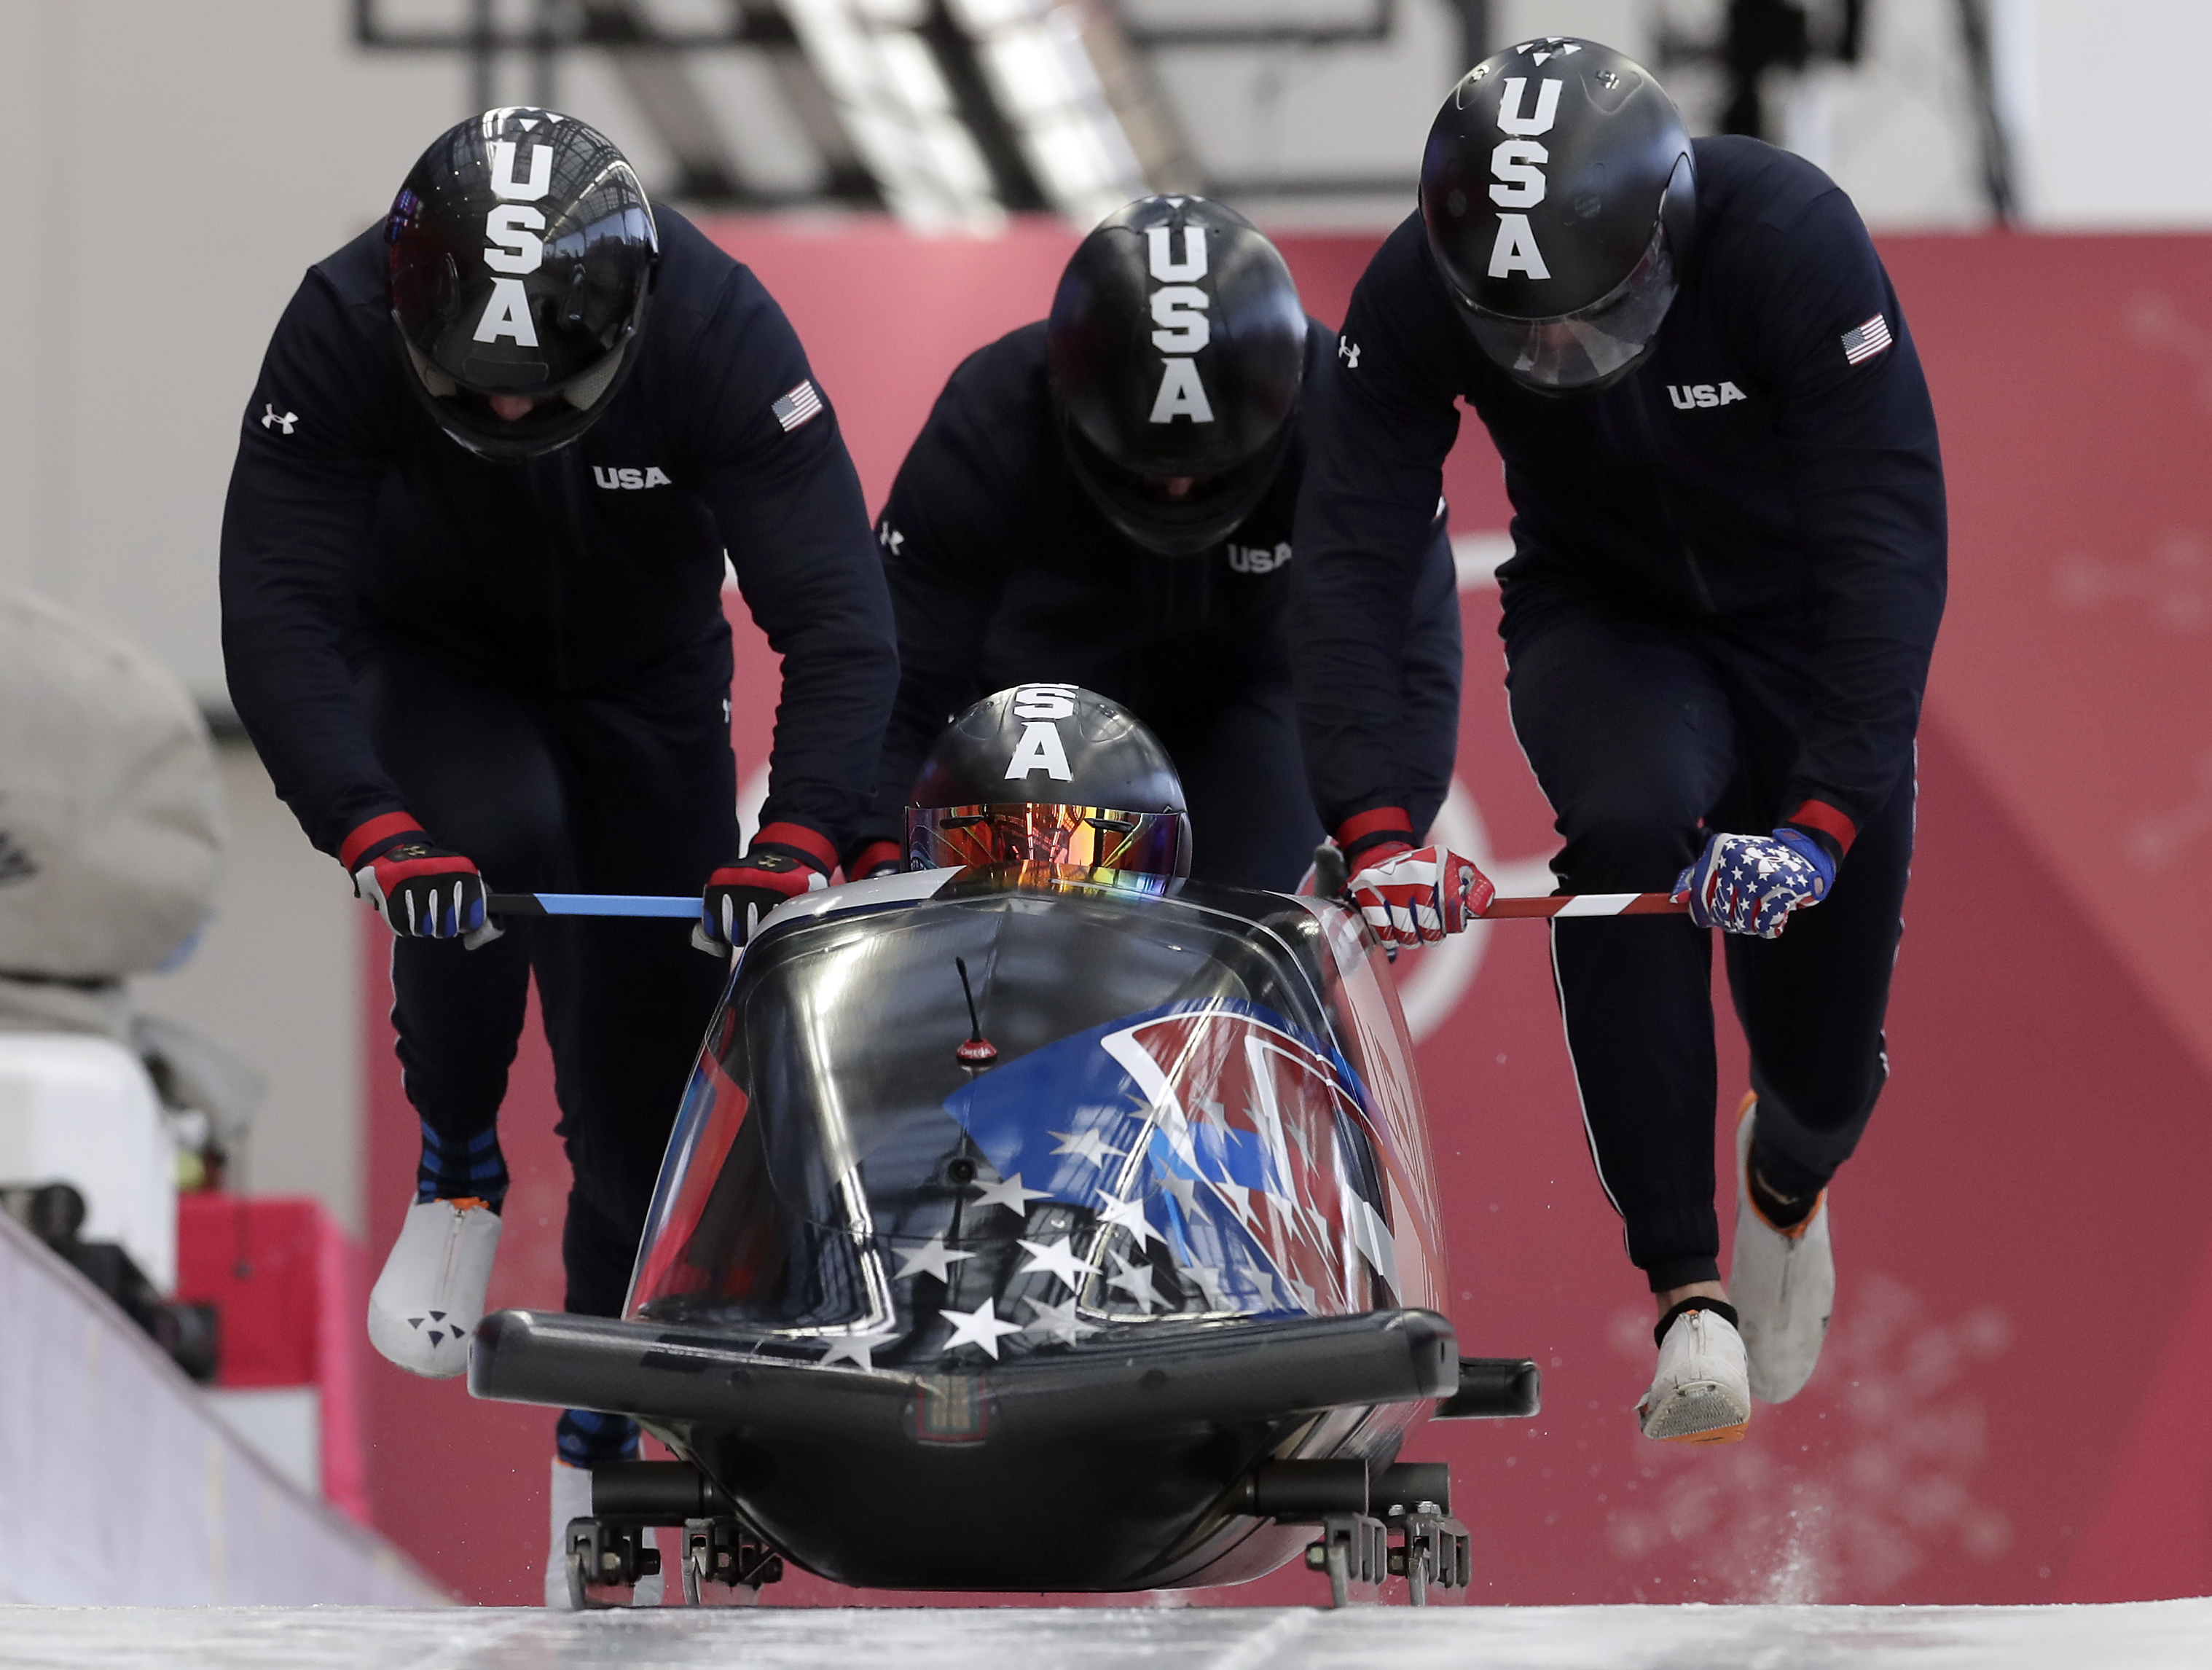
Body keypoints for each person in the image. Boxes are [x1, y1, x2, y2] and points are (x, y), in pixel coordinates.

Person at [218, 106, 898, 1562]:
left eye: (548, 390)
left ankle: (599, 1431)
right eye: (481, 393)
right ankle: (458, 1160)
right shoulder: (341, 321)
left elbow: (838, 617)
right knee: (481, 849)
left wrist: (799, 839)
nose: (514, 418)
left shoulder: (719, 327)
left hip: (648, 687)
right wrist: (368, 824)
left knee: (645, 1078)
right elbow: (278, 603)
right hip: (439, 662)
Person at [1290, 39, 1944, 1443]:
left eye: (1591, 317)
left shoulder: (1792, 239)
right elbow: (1347, 554)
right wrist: (1372, 821)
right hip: (1610, 617)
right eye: (1518, 335)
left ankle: (1787, 1174)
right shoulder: (1410, 292)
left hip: (1807, 625)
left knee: (1823, 1072)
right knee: (1632, 821)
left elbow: (1887, 540)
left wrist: (1826, 813)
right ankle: (1687, 1290)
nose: (1558, 359)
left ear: (1669, 230)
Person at [858, 195, 1462, 893]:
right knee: (1014, 934)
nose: (1178, 491)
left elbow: (1408, 646)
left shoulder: (1346, 414)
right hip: (1039, 701)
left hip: (1252, 690)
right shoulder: (992, 419)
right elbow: (904, 660)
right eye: (1149, 468)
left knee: (1252, 919)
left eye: (1209, 469)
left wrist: (1384, 840)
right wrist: (880, 851)